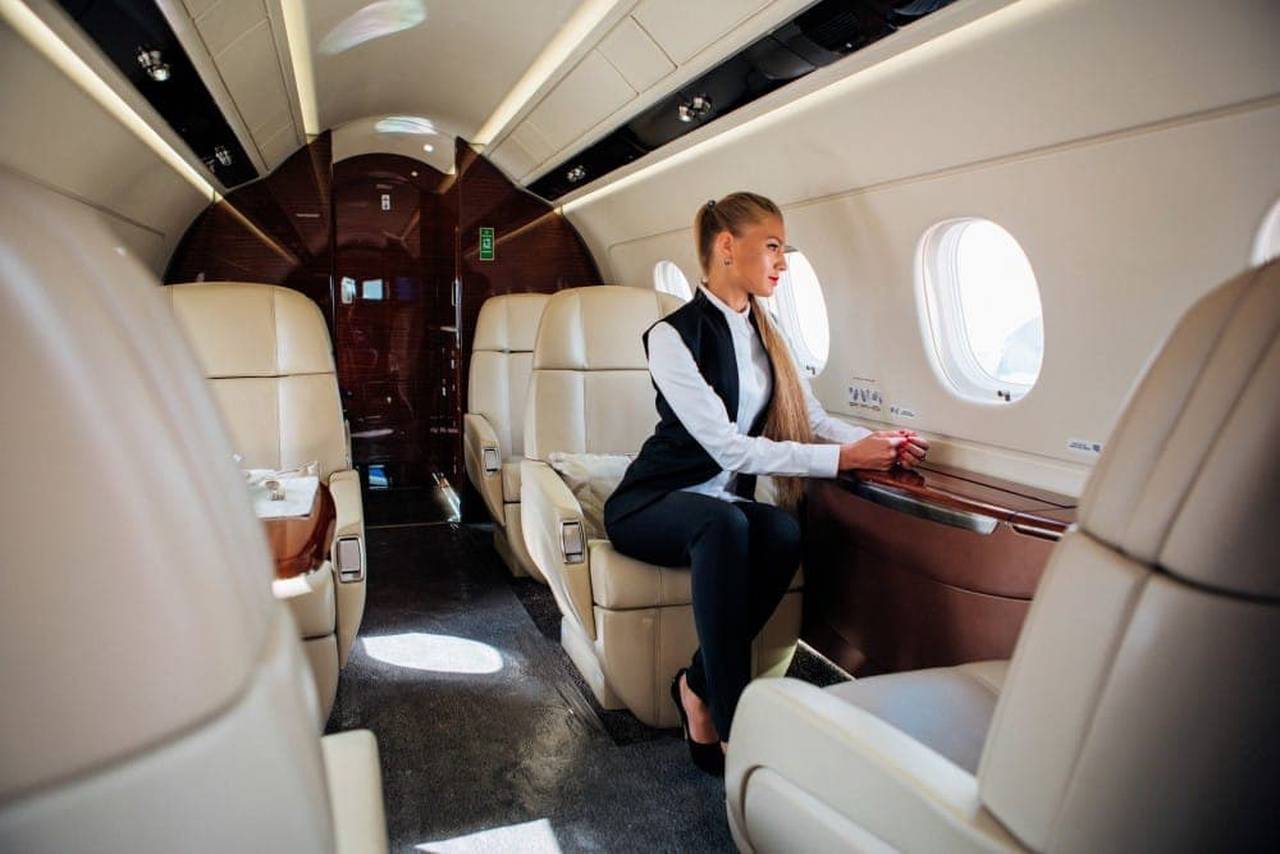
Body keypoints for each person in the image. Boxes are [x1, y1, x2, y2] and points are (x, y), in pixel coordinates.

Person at [602, 191, 928, 775]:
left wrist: (880, 443)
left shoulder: (768, 331)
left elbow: (813, 417)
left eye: (785, 250)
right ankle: (734, 730)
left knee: (781, 531)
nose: (782, 263)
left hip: (719, 506)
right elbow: (727, 447)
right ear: (727, 247)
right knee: (724, 523)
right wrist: (844, 460)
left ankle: (696, 686)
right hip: (649, 503)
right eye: (773, 247)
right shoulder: (672, 337)